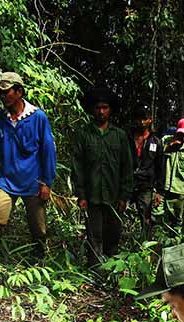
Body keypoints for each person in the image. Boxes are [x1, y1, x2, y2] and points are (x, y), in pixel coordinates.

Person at [0, 71, 57, 258]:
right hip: (6, 180)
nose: (3, 96)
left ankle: (40, 262)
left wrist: (47, 182)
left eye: (7, 92)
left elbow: (48, 152)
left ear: (19, 92)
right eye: (0, 93)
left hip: (33, 182)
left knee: (38, 228)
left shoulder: (38, 118)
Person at [71, 88, 134, 266]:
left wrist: (124, 196)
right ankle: (95, 270)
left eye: (105, 107)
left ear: (110, 110)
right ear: (92, 110)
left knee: (113, 234)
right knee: (94, 234)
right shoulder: (84, 134)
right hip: (92, 196)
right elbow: (78, 166)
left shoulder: (120, 136)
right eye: (98, 107)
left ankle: (111, 270)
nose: (101, 111)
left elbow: (127, 167)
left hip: (114, 196)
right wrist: (81, 194)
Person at [159, 118, 184, 236]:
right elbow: (156, 159)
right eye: (179, 133)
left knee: (177, 222)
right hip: (162, 189)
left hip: (179, 191)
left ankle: (175, 245)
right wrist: (169, 147)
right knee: (157, 219)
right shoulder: (165, 141)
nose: (181, 136)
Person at [128, 106, 163, 240]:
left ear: (150, 120)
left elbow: (160, 168)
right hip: (127, 184)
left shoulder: (156, 142)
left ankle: (145, 248)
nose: (141, 122)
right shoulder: (127, 139)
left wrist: (159, 191)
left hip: (146, 187)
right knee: (118, 214)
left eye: (144, 119)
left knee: (146, 219)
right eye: (138, 118)